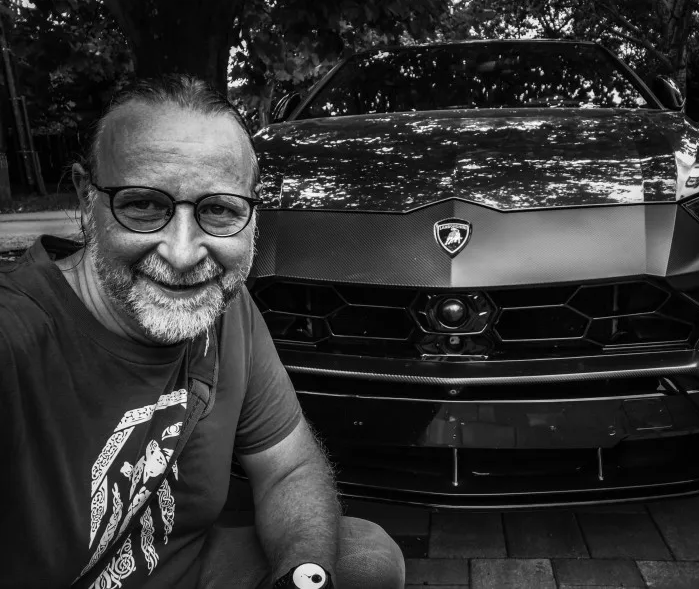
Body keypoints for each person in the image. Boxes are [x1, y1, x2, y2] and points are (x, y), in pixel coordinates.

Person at [0, 75, 405, 589]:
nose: (183, 255)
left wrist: (302, 575)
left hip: (185, 568)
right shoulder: (16, 336)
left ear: (252, 215)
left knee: (367, 558)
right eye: (143, 205)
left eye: (218, 210)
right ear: (86, 198)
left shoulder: (221, 307)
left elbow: (289, 469)